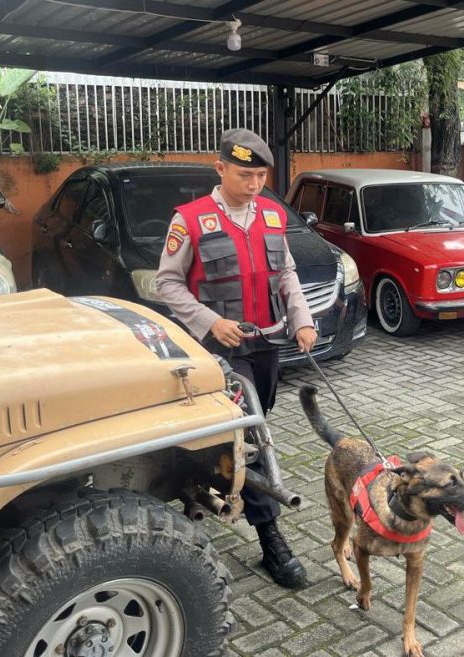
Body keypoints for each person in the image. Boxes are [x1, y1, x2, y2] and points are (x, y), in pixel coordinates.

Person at [155, 128, 316, 589]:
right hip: (222, 351)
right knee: (255, 432)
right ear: (220, 167)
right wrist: (209, 322)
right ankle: (271, 540)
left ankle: (213, 486)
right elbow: (166, 283)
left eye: (262, 176)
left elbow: (285, 273)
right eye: (245, 175)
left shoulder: (270, 214)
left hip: (266, 345)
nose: (254, 185)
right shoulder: (190, 219)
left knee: (251, 427)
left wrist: (302, 319)